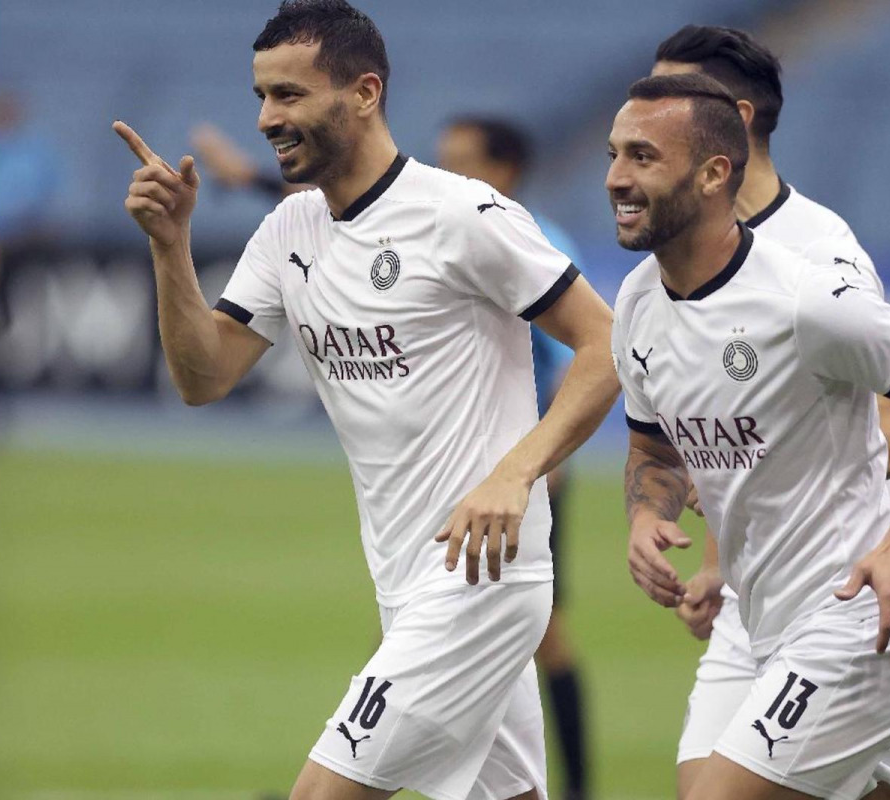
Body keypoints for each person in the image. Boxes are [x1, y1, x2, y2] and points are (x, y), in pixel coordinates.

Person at [113, 2, 619, 799]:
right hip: (404, 581)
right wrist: (170, 247)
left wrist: (514, 472)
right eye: (261, 97)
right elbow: (202, 377)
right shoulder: (289, 234)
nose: (267, 119)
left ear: (364, 92)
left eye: (289, 95)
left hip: (479, 580)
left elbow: (606, 343)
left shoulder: (465, 215)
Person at [607, 73, 890, 800]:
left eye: (641, 157)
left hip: (855, 623)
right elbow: (653, 448)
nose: (616, 178)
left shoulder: (806, 297)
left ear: (716, 172)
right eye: (614, 154)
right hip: (760, 625)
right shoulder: (635, 302)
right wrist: (646, 516)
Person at [438, 116, 591, 800]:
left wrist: (542, 464)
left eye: (461, 161)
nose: (445, 174)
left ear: (506, 171)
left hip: (524, 476)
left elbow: (577, 358)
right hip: (458, 473)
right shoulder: (444, 232)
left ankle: (577, 786)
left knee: (544, 635)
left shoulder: (536, 245)